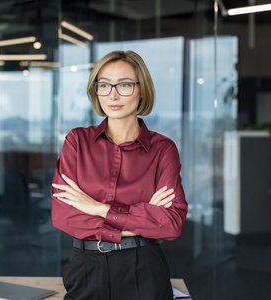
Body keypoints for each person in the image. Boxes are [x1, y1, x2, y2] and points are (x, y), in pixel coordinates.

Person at [51, 50, 188, 300]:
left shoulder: (163, 149)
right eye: (104, 85)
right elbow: (64, 216)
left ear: (142, 90)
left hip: (144, 267)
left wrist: (98, 208)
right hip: (86, 267)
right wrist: (141, 220)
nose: (113, 94)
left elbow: (171, 224)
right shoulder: (77, 142)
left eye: (124, 85)